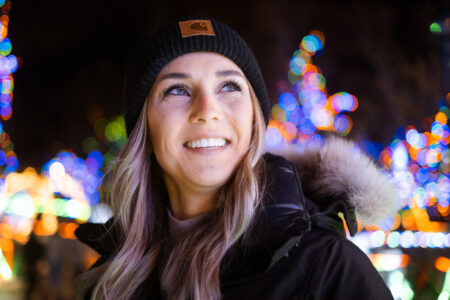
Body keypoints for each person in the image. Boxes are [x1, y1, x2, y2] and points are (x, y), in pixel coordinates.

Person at [74, 16, 398, 300]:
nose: (207, 111)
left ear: (254, 119)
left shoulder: (329, 270)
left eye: (229, 86)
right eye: (177, 90)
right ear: (143, 126)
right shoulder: (107, 281)